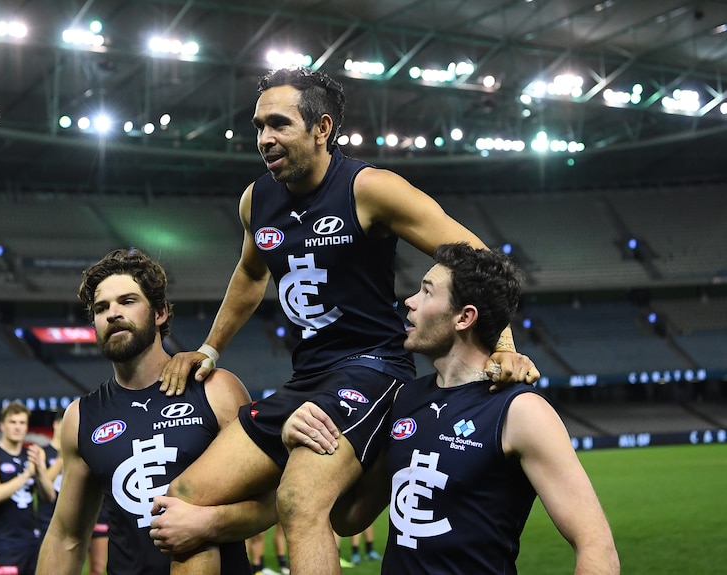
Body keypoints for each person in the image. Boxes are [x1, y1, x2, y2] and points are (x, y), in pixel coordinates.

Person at [154, 66, 538, 573]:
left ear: (323, 128)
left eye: (278, 124)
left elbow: (476, 259)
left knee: (301, 500)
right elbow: (250, 275)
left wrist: (504, 348)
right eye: (258, 127)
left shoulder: (370, 188)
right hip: (306, 379)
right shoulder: (256, 200)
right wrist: (209, 349)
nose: (264, 139)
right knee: (181, 502)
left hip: (373, 369)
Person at [283, 243, 620, 574]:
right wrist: (302, 442)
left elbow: (596, 546)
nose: (409, 302)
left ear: (464, 317)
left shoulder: (521, 412)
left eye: (427, 292)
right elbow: (349, 518)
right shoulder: (404, 399)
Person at [36, 248, 257, 574]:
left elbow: (272, 502)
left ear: (160, 313)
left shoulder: (216, 390)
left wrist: (208, 523)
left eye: (127, 302)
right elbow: (66, 537)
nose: (112, 314)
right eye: (101, 308)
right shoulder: (81, 417)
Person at [0, 401, 55, 575]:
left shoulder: (31, 456)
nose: (18, 427)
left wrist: (40, 471)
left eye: (22, 423)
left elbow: (49, 496)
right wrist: (26, 475)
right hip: (6, 543)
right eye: (13, 422)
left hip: (32, 540)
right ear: (2, 425)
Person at [35, 409, 64, 537]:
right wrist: (61, 460)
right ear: (56, 424)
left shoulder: (78, 452)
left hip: (72, 519)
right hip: (47, 518)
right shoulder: (42, 452)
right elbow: (43, 481)